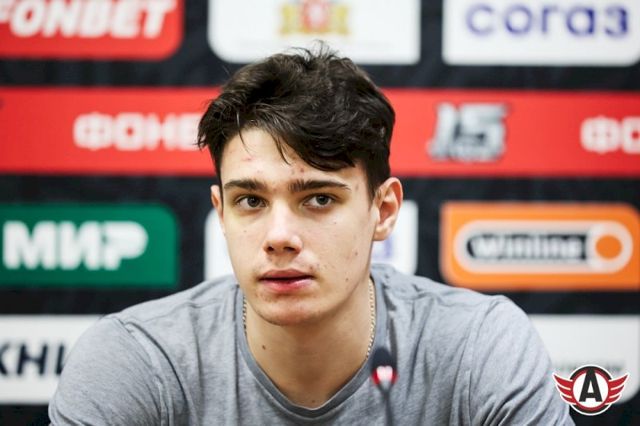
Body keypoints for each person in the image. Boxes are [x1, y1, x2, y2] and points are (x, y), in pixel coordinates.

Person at [49, 46, 573, 425]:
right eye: (251, 201)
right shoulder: (135, 360)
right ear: (221, 213)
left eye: (318, 199)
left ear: (383, 210)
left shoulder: (478, 346)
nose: (279, 237)